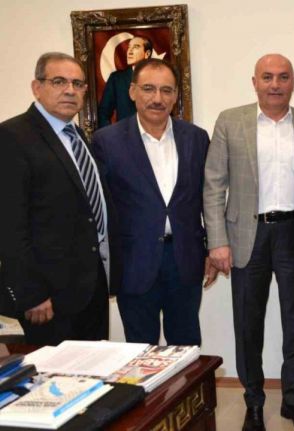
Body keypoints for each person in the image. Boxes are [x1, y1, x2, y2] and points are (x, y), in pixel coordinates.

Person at [203, 53, 294, 431]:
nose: (275, 84)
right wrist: (217, 241)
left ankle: (293, 400)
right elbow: (214, 185)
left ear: (293, 82)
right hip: (246, 237)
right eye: (267, 77)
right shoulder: (230, 121)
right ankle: (253, 402)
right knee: (248, 324)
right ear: (255, 82)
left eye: (283, 77)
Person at [92, 58, 215, 346]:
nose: (157, 98)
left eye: (166, 90)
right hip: (134, 262)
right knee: (140, 351)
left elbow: (207, 197)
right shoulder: (106, 141)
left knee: (187, 347)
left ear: (175, 95)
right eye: (148, 89)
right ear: (132, 91)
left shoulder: (196, 138)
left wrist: (211, 247)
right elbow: (101, 208)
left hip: (185, 259)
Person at [0, 52, 111, 345]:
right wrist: (30, 293)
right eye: (59, 81)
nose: (70, 90)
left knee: (96, 369)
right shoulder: (12, 136)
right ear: (37, 87)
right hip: (47, 298)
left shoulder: (77, 136)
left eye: (78, 83)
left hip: (90, 288)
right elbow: (9, 226)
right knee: (56, 373)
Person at [97, 36, 153, 128]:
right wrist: (111, 135)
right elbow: (103, 113)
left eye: (135, 47)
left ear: (147, 54)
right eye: (129, 47)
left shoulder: (158, 78)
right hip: (124, 134)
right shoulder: (116, 79)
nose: (129, 51)